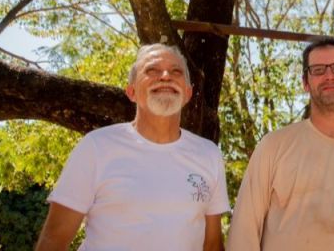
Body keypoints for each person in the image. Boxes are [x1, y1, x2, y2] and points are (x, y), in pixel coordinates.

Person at [35, 44, 230, 251]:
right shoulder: (96, 147)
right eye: (152, 70)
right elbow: (54, 240)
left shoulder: (208, 154)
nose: (165, 76)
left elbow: (212, 244)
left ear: (189, 93)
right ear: (132, 92)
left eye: (176, 71)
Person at [226, 37, 334, 251]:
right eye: (318, 70)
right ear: (305, 82)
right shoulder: (273, 146)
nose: (329, 76)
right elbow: (244, 231)